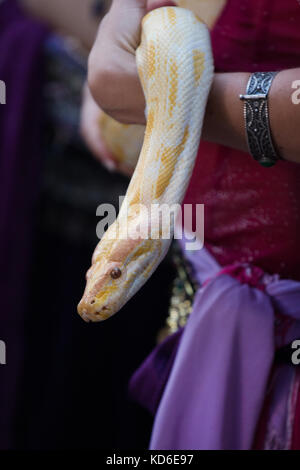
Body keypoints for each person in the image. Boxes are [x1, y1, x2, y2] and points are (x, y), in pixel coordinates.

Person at [84, 0, 300, 449]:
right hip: (197, 287)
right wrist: (116, 25)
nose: (96, 301)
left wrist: (165, 95)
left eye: (115, 273)